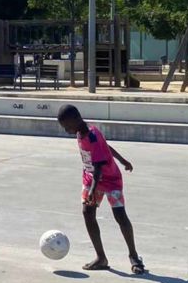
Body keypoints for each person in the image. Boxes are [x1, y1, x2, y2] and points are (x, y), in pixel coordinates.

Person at [57, 104, 145, 274]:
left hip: (110, 180)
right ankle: (101, 258)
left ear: (76, 119)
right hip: (91, 178)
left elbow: (98, 167)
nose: (66, 130)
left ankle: (134, 256)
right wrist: (123, 160)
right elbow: (107, 147)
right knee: (87, 212)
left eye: (67, 126)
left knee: (120, 216)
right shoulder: (82, 131)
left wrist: (91, 191)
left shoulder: (92, 135)